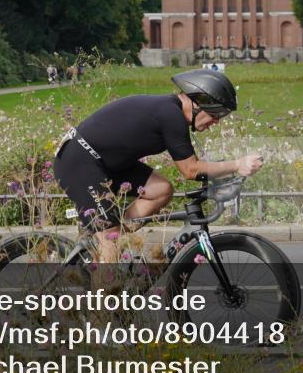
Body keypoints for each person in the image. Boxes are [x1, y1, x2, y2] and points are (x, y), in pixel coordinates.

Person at [53, 69, 263, 264]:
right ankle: (104, 300)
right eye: (215, 115)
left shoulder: (171, 112)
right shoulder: (171, 115)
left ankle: (101, 237)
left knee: (161, 190)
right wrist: (237, 165)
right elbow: (191, 170)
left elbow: (197, 167)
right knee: (110, 241)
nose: (216, 122)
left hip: (105, 163)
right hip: (80, 162)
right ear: (197, 103)